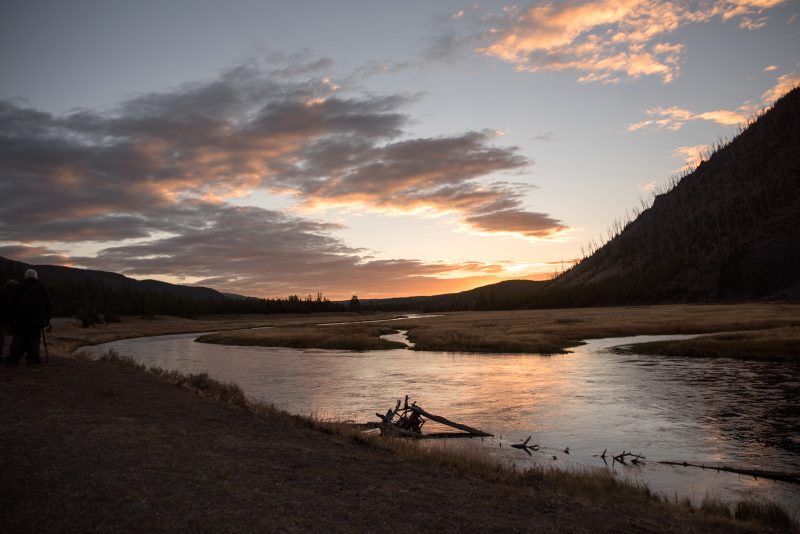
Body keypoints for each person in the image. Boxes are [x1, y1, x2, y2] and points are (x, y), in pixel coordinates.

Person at [6, 269, 52, 367]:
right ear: (36, 276)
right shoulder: (41, 287)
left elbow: (13, 303)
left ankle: (14, 360)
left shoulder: (19, 287)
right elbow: (48, 304)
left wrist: (11, 317)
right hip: (37, 320)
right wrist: (47, 318)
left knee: (18, 339)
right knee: (34, 340)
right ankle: (33, 361)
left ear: (25, 276)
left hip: (20, 320)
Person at [0, 279, 18, 358]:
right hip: (3, 318)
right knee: (1, 336)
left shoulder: (2, 290)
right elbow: (10, 306)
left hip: (4, 318)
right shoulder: (8, 294)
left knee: (2, 335)